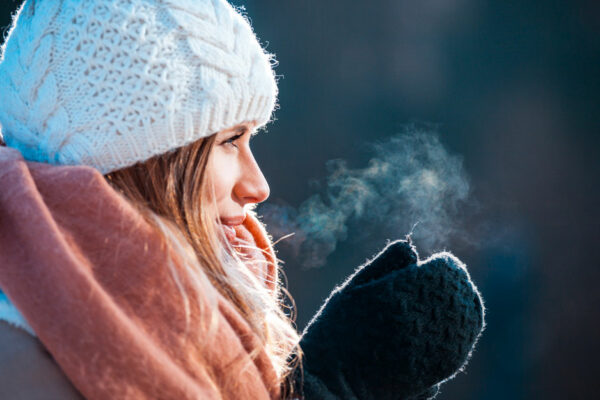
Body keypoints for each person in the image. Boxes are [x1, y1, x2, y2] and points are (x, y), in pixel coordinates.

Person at [0, 1, 485, 399]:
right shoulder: (27, 363)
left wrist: (314, 382)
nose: (258, 185)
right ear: (143, 158)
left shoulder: (173, 332)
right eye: (230, 141)